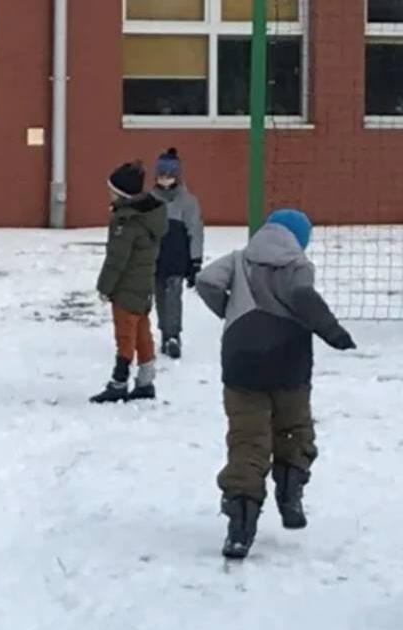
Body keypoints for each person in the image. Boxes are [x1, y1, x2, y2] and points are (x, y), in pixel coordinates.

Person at [195, 209, 356, 559]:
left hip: (241, 363)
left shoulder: (239, 259)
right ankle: (290, 494)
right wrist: (333, 331)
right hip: (289, 362)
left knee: (247, 441)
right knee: (294, 428)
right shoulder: (299, 266)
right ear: (300, 238)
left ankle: (240, 527)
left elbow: (206, 280)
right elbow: (303, 297)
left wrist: (229, 311)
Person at [91, 160, 168, 404]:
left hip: (126, 288)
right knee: (143, 333)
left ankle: (119, 381)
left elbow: (117, 259)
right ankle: (146, 380)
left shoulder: (126, 222)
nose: (109, 193)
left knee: (125, 336)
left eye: (111, 190)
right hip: (144, 286)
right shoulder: (148, 216)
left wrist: (105, 287)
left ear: (121, 193)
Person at [151, 148, 204, 360]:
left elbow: (195, 231)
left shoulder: (187, 201)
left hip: (177, 258)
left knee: (174, 296)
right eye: (161, 175)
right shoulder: (150, 200)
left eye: (169, 175)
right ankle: (164, 332)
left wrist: (195, 261)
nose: (165, 180)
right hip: (155, 258)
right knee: (160, 297)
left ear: (176, 176)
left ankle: (173, 335)